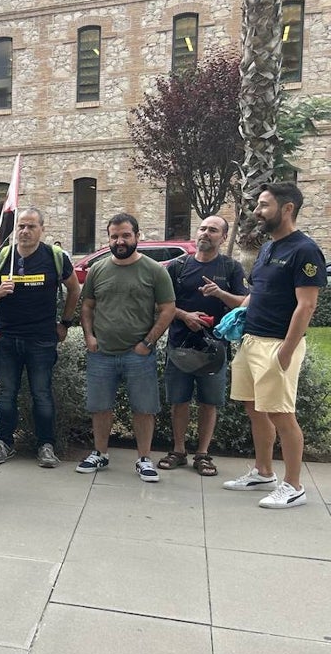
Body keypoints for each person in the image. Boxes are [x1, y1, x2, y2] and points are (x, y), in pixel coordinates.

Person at [225, 183, 327, 508]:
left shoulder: (305, 250)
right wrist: (238, 315)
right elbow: (258, 292)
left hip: (277, 344)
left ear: (287, 209)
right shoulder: (269, 247)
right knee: (255, 409)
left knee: (282, 414)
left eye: (264, 205)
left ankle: (294, 486)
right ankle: (263, 471)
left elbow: (306, 305)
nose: (257, 211)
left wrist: (285, 351)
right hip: (252, 340)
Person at [0, 207, 80, 467]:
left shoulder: (54, 257)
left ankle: (46, 446)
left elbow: (74, 289)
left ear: (41, 230)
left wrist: (65, 323)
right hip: (7, 337)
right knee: (6, 393)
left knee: (42, 393)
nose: (24, 231)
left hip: (42, 339)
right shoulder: (2, 256)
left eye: (31, 226)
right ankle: (4, 443)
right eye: (21, 226)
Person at [78, 213, 175, 481]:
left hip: (138, 354)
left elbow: (168, 309)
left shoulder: (154, 270)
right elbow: (87, 305)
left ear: (137, 236)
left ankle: (144, 458)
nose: (120, 241)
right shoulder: (98, 269)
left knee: (144, 408)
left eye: (125, 235)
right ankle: (100, 453)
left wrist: (147, 343)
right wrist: (90, 337)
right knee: (100, 406)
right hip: (102, 353)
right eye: (114, 236)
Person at [156, 216, 247, 477]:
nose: (205, 233)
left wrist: (219, 293)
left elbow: (243, 303)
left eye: (213, 230)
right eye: (203, 228)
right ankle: (179, 450)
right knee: (179, 401)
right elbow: (161, 304)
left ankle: (203, 454)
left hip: (215, 349)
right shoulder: (177, 266)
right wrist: (185, 316)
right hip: (180, 346)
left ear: (223, 237)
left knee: (209, 403)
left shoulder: (231, 268)